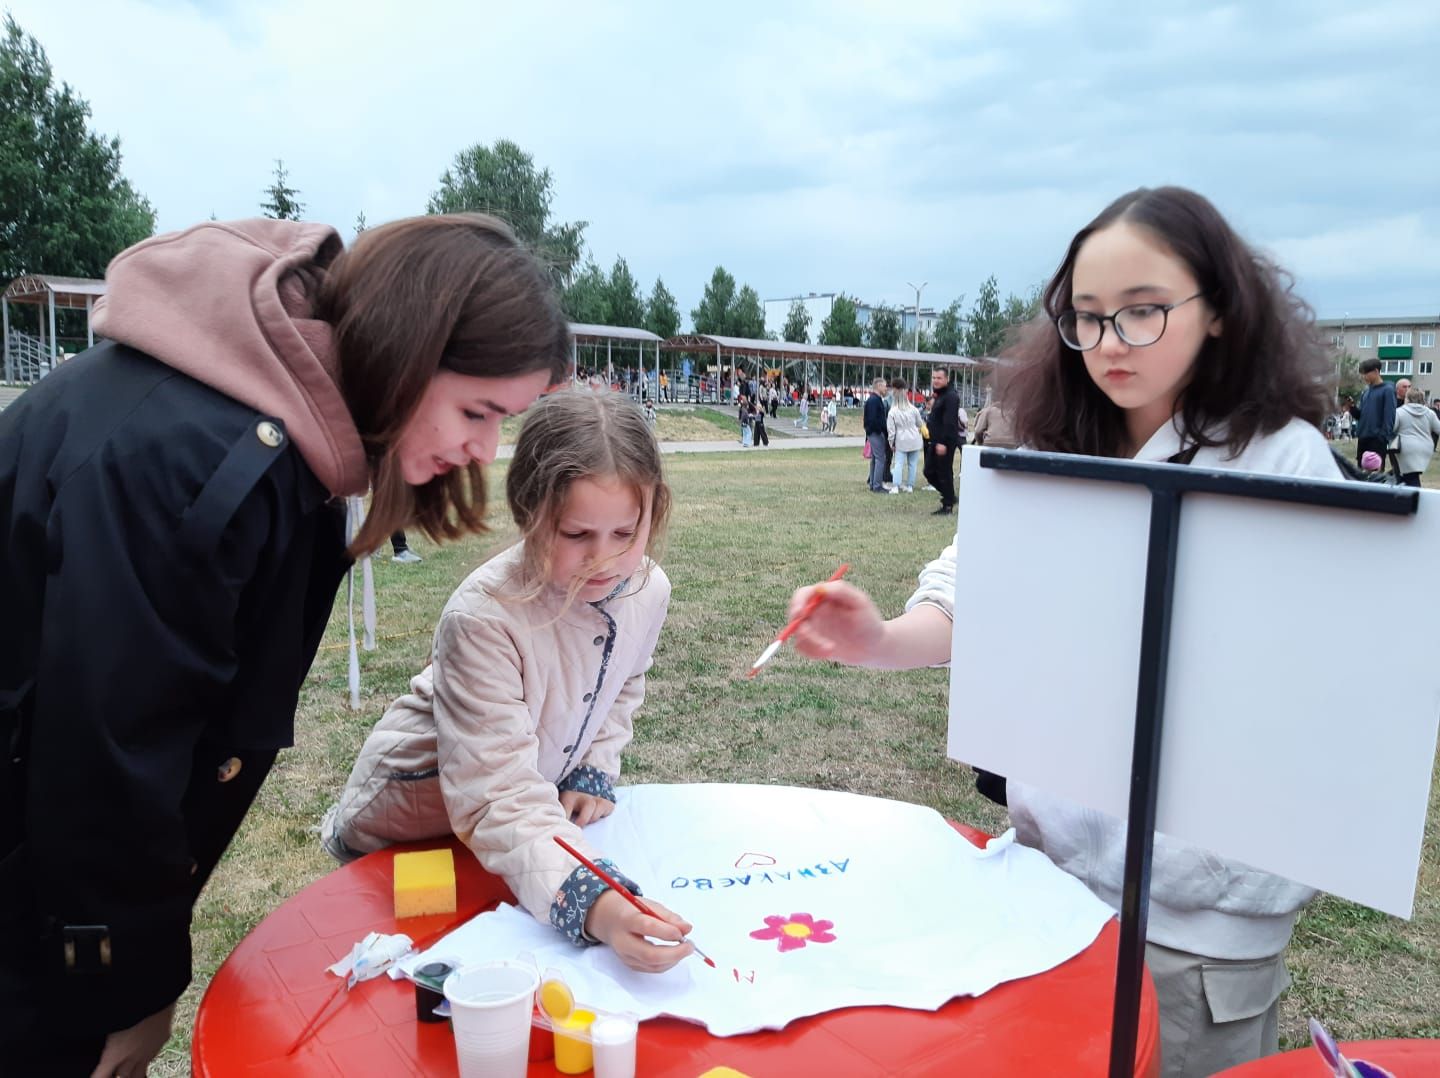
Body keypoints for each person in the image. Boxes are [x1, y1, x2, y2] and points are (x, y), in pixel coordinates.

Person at [783, 187, 1339, 1078]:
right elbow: (970, 590)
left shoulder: (1285, 460)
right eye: (1087, 318)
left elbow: (1310, 689)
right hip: (1050, 886)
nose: (1111, 343)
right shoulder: (1050, 444)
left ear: (1223, 313)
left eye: (1143, 313)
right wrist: (881, 637)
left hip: (1199, 918)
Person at [0, 213, 570, 1076]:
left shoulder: (270, 434)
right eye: (477, 411)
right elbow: (108, 755)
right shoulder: (201, 460)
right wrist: (122, 985)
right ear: (406, 354)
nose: (483, 450)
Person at [322, 390, 692, 970]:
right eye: (576, 535)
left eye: (626, 533)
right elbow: (496, 795)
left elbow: (624, 682)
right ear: (529, 513)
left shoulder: (650, 589)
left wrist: (596, 766)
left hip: (515, 826)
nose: (605, 558)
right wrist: (598, 904)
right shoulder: (482, 619)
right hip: (412, 823)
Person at [923, 366, 961, 514]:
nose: (936, 381)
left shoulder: (951, 396)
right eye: (934, 378)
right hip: (935, 440)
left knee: (944, 473)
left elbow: (950, 422)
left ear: (947, 379)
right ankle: (950, 496)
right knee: (929, 471)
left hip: (944, 442)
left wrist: (943, 443)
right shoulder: (940, 395)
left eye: (939, 378)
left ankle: (948, 505)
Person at [1391, 387, 1440, 486]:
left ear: (1407, 398)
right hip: (1425, 448)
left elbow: (1392, 429)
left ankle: (1413, 496)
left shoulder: (1399, 412)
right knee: (1412, 475)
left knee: (1409, 477)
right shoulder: (1430, 413)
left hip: (1405, 448)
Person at [1354, 359, 1395, 468]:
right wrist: (1351, 408)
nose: (1364, 377)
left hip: (1377, 440)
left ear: (1376, 371)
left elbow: (1389, 417)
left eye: (1366, 373)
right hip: (1363, 439)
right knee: (1361, 475)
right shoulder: (1366, 392)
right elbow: (1361, 416)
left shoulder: (1388, 390)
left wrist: (1382, 438)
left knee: (1375, 478)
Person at [887, 377, 923, 493]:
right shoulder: (913, 409)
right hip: (914, 439)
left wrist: (891, 443)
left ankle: (896, 486)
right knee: (912, 464)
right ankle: (910, 486)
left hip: (901, 440)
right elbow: (919, 423)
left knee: (898, 464)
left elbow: (891, 431)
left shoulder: (893, 411)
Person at [863, 377, 890, 492]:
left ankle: (874, 484)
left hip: (873, 433)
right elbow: (873, 419)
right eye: (884, 386)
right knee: (880, 458)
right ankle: (877, 486)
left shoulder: (874, 400)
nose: (886, 388)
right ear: (878, 386)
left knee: (875, 459)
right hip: (876, 433)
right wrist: (880, 431)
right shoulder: (874, 400)